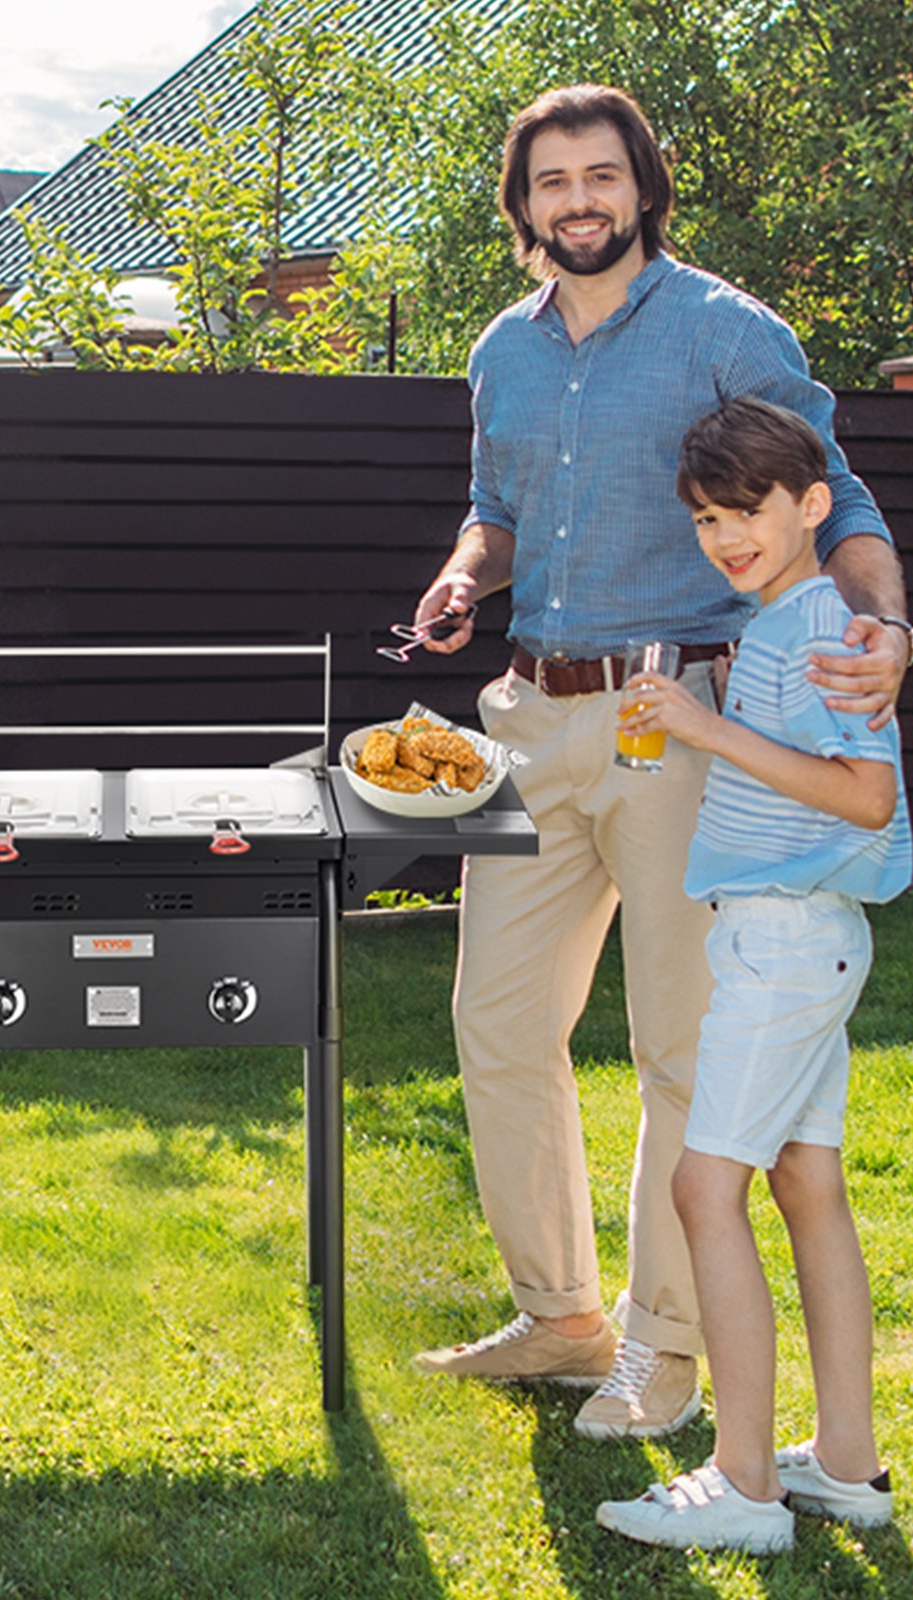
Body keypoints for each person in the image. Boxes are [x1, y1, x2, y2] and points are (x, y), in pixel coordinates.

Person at [409, 84, 909, 1440]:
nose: (579, 200)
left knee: (676, 1043)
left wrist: (889, 620)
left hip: (672, 711)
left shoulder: (726, 330)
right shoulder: (501, 351)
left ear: (642, 187)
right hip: (528, 709)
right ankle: (562, 1315)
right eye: (552, 180)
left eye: (601, 176)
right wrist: (465, 573)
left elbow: (839, 495)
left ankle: (666, 1352)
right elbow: (498, 507)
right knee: (498, 1024)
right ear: (522, 206)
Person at [594, 398, 907, 1552]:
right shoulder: (783, 619)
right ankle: (843, 1463)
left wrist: (704, 728)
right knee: (804, 1186)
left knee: (701, 1188)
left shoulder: (817, 625)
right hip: (793, 938)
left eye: (749, 511)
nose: (727, 536)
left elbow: (868, 796)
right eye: (708, 517)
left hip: (785, 946)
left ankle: (741, 1484)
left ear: (813, 506)